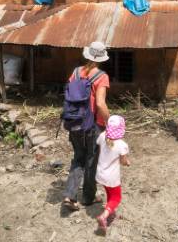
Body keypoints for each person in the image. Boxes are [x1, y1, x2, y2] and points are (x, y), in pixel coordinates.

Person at [62, 41, 111, 211]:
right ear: (101, 58)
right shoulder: (101, 76)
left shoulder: (75, 72)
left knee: (78, 158)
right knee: (91, 160)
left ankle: (70, 195)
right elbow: (100, 103)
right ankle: (88, 198)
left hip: (74, 122)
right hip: (93, 126)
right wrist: (109, 121)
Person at [95, 115, 130, 234]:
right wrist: (127, 163)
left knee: (109, 193)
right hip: (112, 176)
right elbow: (123, 161)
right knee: (117, 197)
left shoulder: (102, 136)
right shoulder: (122, 145)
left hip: (100, 173)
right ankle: (104, 216)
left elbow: (101, 151)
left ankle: (111, 212)